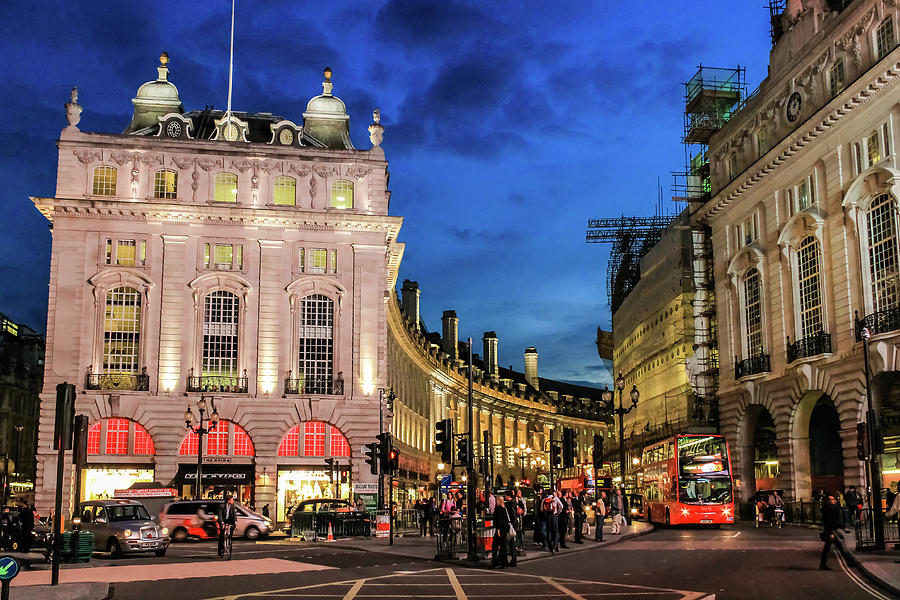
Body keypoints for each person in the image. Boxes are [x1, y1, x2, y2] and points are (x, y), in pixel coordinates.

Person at [819, 494, 842, 570]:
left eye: (834, 499)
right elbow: (828, 523)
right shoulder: (827, 510)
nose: (834, 500)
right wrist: (831, 533)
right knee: (839, 548)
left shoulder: (831, 508)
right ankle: (851, 563)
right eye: (832, 500)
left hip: (832, 531)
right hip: (830, 532)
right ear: (828, 502)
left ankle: (822, 565)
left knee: (835, 548)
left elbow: (835, 521)